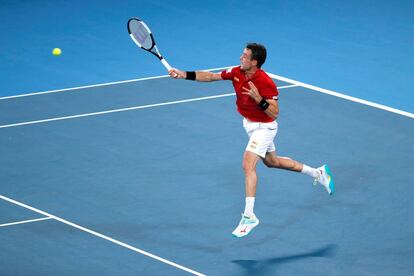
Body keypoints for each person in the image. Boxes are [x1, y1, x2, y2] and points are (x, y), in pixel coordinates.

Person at [168, 43, 334, 238]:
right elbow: (211, 76)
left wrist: (259, 99)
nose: (240, 58)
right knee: (272, 162)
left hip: (264, 127)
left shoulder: (265, 82)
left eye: (245, 56)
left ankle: (249, 216)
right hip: (250, 125)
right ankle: (318, 173)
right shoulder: (237, 72)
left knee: (248, 166)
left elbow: (275, 113)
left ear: (254, 62)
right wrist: (183, 74)